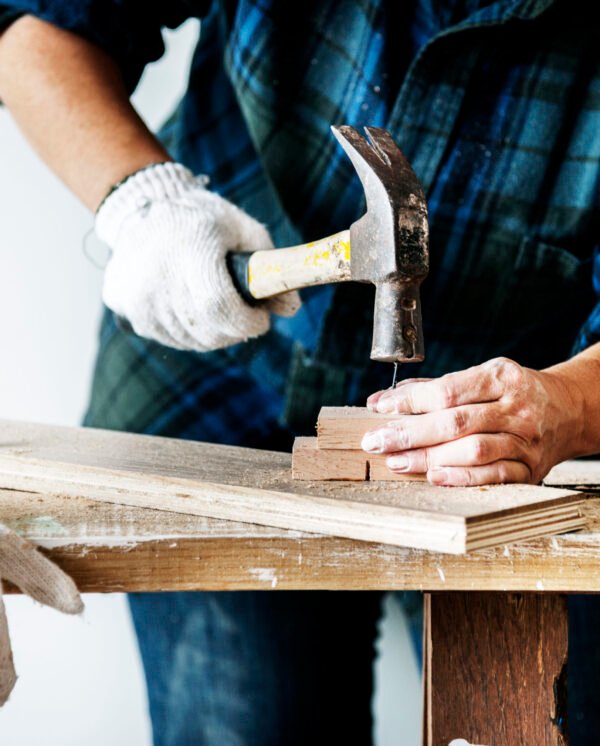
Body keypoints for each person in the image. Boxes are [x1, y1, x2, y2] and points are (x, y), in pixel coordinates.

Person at [1, 1, 599, 743]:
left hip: (511, 433)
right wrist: (140, 202)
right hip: (213, 377)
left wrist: (568, 401)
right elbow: (39, 28)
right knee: (247, 725)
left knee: (531, 709)